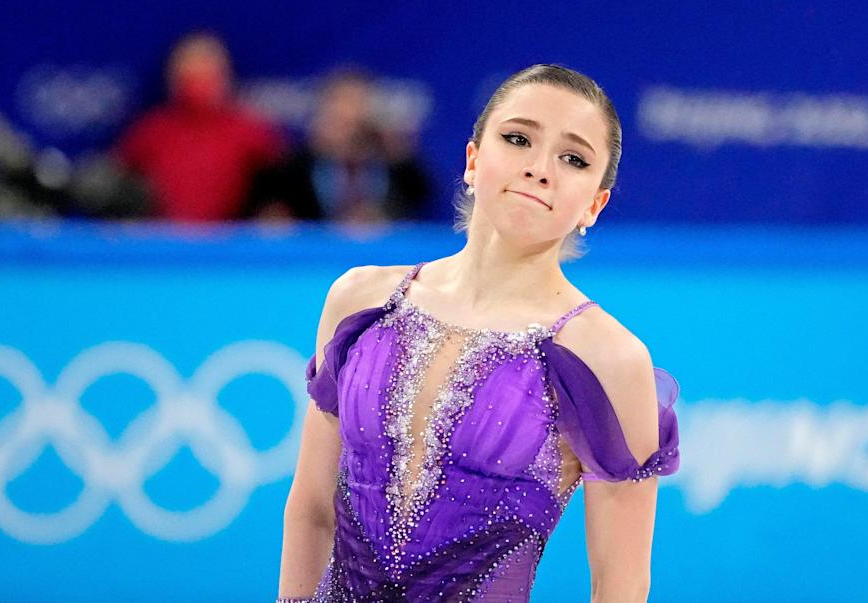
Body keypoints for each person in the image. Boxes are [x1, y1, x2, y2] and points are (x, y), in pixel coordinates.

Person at [277, 64, 680, 602]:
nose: (540, 169)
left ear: (594, 203)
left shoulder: (606, 356)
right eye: (518, 139)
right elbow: (310, 509)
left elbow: (621, 584)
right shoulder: (361, 301)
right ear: (472, 159)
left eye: (573, 158)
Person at [114, 32, 284, 222]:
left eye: (206, 65)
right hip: (161, 244)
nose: (197, 77)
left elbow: (280, 196)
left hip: (233, 244)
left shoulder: (252, 132)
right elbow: (117, 187)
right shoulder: (149, 132)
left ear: (225, 74)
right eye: (189, 67)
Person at [249, 69, 430, 224]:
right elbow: (273, 212)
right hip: (315, 258)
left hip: (379, 254)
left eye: (358, 103)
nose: (349, 113)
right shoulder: (295, 167)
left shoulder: (395, 161)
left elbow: (420, 197)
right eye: (341, 102)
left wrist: (398, 152)